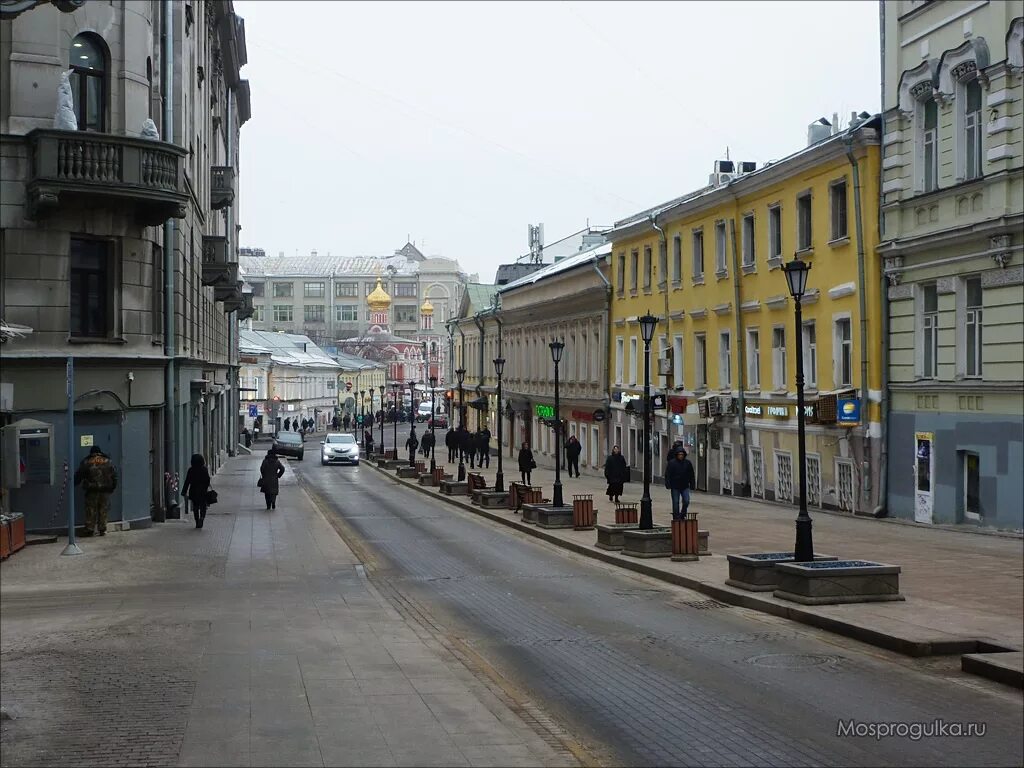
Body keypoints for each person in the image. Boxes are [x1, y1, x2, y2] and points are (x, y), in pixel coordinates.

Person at [73, 445, 118, 537]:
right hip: (105, 490)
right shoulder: (108, 461)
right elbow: (114, 476)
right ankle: (102, 529)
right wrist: (113, 487)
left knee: (91, 510)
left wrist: (74, 483)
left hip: (91, 490)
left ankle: (90, 529)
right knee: (103, 510)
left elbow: (79, 475)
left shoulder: (86, 461)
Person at [665, 447, 697, 520]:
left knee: (686, 501)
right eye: (679, 454)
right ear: (677, 455)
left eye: (682, 454)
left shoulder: (687, 463)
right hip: (675, 486)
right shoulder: (672, 463)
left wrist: (692, 484)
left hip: (685, 486)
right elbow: (668, 474)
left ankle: (683, 514)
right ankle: (676, 517)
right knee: (675, 502)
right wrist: (668, 483)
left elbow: (691, 474)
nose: (681, 456)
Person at [181, 453, 211, 529]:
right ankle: (202, 517)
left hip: (193, 491)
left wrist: (184, 491)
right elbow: (207, 480)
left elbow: (187, 481)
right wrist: (205, 487)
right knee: (203, 506)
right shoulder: (204, 469)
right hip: (203, 491)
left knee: (195, 507)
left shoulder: (191, 470)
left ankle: (197, 521)